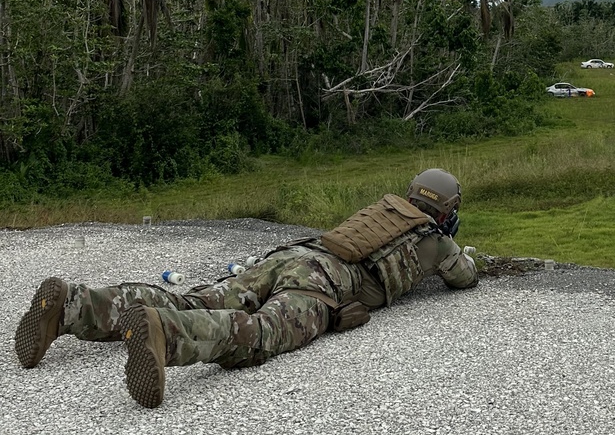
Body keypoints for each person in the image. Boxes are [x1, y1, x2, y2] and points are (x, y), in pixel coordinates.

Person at [14, 169, 478, 410]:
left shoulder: (382, 210)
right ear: (447, 210)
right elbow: (465, 277)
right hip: (321, 283)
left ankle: (74, 304)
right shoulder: (437, 242)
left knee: (198, 297)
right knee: (259, 334)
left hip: (291, 255)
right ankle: (166, 332)